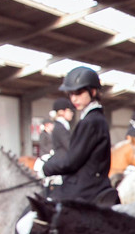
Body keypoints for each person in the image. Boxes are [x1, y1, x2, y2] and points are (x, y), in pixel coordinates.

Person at [41, 66, 118, 206]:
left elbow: (72, 161)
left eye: (79, 93)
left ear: (93, 91)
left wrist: (46, 168)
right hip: (91, 182)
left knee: (37, 215)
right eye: (71, 94)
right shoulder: (94, 118)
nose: (74, 98)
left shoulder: (90, 121)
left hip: (85, 187)